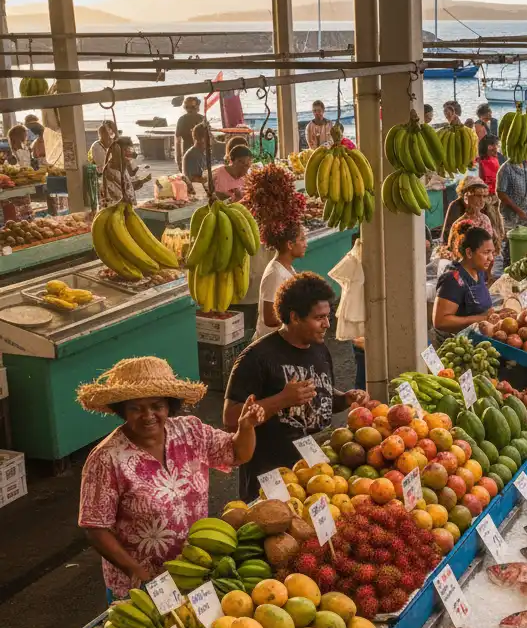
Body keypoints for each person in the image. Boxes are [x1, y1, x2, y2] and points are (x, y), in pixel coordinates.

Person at [77, 357, 263, 598]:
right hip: (141, 586)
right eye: (136, 408)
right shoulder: (106, 459)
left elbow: (238, 453)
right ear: (122, 409)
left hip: (196, 570)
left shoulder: (190, 431)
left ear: (169, 405)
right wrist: (137, 572)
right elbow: (95, 528)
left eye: (156, 405)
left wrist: (246, 427)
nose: (148, 415)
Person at [224, 273, 346, 502]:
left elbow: (322, 394)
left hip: (317, 473)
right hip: (270, 478)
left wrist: (346, 398)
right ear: (295, 317)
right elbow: (231, 419)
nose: (327, 324)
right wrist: (282, 399)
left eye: (327, 316)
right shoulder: (256, 358)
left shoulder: (319, 349)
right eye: (319, 318)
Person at [431, 226, 495, 341]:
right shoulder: (453, 279)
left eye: (492, 252)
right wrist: (479, 319)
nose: (491, 258)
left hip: (477, 338)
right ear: (469, 253)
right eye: (486, 252)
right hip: (456, 344)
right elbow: (440, 321)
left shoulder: (479, 271)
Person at [254, 223, 307, 340]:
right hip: (270, 344)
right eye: (302, 239)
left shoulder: (287, 268)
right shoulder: (275, 274)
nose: (305, 244)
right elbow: (270, 318)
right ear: (289, 245)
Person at [495, 156, 527, 264]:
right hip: (512, 218)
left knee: (525, 251)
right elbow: (501, 193)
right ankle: (509, 274)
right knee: (510, 249)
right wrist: (518, 210)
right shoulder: (506, 168)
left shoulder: (526, 165)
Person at [446, 177, 496, 256]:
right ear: (467, 196)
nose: (482, 200)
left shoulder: (486, 218)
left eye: (484, 196)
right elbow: (453, 249)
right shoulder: (459, 221)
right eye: (478, 196)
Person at [174, 97, 204, 173]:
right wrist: (178, 159)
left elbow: (178, 141)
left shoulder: (202, 119)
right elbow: (178, 141)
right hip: (189, 152)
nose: (189, 110)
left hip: (199, 153)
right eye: (187, 107)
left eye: (192, 107)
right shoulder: (182, 120)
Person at [181, 122, 209, 190]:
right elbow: (194, 180)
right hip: (197, 193)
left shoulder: (201, 153)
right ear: (202, 139)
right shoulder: (193, 156)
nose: (213, 139)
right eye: (210, 136)